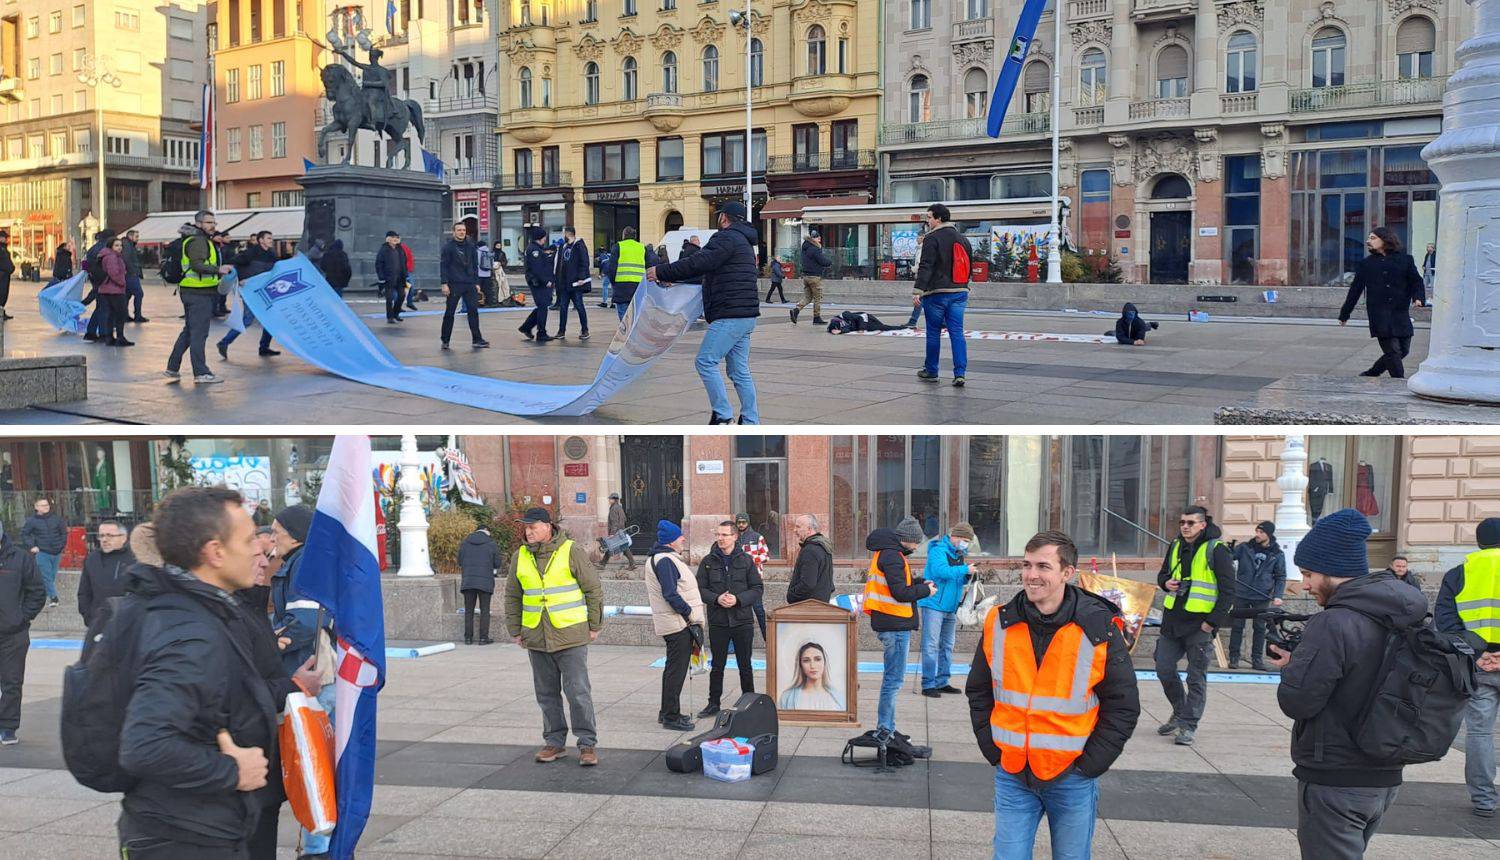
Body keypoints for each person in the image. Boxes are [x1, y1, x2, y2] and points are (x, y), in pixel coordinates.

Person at [116, 486, 277, 858]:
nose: (260, 547)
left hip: (192, 828)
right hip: (186, 838)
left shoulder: (189, 609)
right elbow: (144, 745)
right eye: (250, 537)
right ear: (215, 552)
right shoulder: (188, 634)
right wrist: (232, 771)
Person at [966, 529, 1141, 860]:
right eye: (1027, 565)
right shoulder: (999, 622)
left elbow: (1123, 705)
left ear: (1067, 573)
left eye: (1043, 566)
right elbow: (979, 691)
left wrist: (1090, 765)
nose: (1031, 575)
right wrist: (993, 750)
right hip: (1013, 773)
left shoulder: (1098, 626)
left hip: (1071, 775)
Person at [1265, 508, 1429, 859]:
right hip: (1385, 775)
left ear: (1333, 570)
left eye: (1309, 573)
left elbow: (1299, 701)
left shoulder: (1335, 622)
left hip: (1336, 777)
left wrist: (1293, 669)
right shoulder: (1403, 612)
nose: (1305, 584)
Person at [503, 507, 605, 766]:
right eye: (526, 527)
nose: (528, 531)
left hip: (570, 634)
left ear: (548, 526)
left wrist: (595, 625)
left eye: (533, 526)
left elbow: (592, 589)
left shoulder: (571, 550)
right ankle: (554, 742)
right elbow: (513, 595)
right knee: (546, 694)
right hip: (536, 636)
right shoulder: (520, 556)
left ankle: (586, 744)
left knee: (578, 693)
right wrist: (515, 629)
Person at [648, 201, 762, 425]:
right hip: (746, 315)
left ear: (724, 218)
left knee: (705, 361)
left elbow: (699, 262)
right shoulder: (744, 242)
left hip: (730, 314)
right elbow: (711, 271)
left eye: (720, 216)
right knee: (739, 371)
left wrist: (661, 271)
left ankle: (722, 414)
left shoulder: (726, 238)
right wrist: (672, 277)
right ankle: (750, 420)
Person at [1433, 517, 1500, 819]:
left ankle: (1484, 799)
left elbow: (1446, 625)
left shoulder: (1459, 573)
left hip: (1478, 665)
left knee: (1480, 734)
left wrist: (1482, 652)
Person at [1153, 505, 1234, 746]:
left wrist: (1211, 623)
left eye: (1190, 523)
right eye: (1182, 523)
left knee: (1196, 677)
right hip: (1172, 621)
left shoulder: (1216, 550)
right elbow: (1162, 575)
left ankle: (1188, 725)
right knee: (1163, 669)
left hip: (1200, 625)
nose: (1185, 527)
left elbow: (1229, 591)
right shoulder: (1176, 544)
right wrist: (1166, 583)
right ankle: (1180, 711)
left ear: (1202, 525)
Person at [864, 517, 935, 741]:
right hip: (894, 624)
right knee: (893, 681)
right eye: (917, 542)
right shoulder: (893, 556)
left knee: (892, 679)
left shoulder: (888, 553)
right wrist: (926, 592)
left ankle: (888, 727)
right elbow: (900, 594)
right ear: (908, 540)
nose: (917, 546)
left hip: (890, 622)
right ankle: (885, 729)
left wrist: (919, 583)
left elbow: (899, 586)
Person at [1338, 226, 1427, 379]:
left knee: (1403, 350)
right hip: (1379, 315)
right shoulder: (1366, 264)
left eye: (1372, 238)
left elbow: (1416, 281)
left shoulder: (1405, 260)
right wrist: (1345, 314)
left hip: (1400, 313)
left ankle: (1373, 372)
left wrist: (1418, 297)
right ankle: (1399, 383)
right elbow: (1355, 290)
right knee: (1392, 352)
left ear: (1385, 240)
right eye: (1368, 238)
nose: (1367, 241)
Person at [696, 520, 763, 718]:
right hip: (719, 621)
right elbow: (700, 589)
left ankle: (748, 702)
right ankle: (713, 703)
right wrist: (716, 599)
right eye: (718, 534)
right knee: (717, 665)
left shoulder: (746, 560)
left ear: (735, 536)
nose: (720, 538)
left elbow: (757, 589)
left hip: (742, 621)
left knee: (745, 665)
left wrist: (738, 599)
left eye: (725, 535)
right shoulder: (708, 561)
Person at [647, 520, 705, 731]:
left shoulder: (664, 558)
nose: (683, 540)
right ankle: (671, 716)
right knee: (676, 671)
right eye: (680, 537)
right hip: (678, 624)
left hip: (676, 622)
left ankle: (667, 712)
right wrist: (688, 613)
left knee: (673, 669)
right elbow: (670, 593)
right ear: (671, 541)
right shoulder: (665, 561)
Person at [165, 210, 235, 385]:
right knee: (199, 333)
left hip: (192, 291)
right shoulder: (198, 240)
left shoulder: (198, 239)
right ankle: (201, 372)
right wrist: (219, 270)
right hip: (198, 293)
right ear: (198, 224)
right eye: (208, 222)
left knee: (189, 331)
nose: (212, 225)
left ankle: (172, 367)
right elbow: (197, 265)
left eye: (213, 222)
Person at [914, 203, 973, 387]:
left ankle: (932, 371)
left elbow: (926, 265)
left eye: (929, 217)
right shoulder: (962, 238)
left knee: (933, 332)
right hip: (959, 292)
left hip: (937, 293)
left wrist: (918, 290)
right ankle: (960, 373)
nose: (928, 221)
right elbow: (969, 264)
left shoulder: (932, 238)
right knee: (957, 332)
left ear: (938, 219)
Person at [0, 518, 45, 746]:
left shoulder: (20, 558)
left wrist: (21, 618)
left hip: (13, 633)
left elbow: (37, 591)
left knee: (11, 681)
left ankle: (7, 727)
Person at [918, 522, 976, 698]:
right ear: (955, 537)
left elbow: (955, 578)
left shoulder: (959, 555)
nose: (966, 544)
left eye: (968, 541)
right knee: (931, 645)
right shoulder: (938, 550)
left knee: (947, 645)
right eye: (965, 540)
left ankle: (942, 681)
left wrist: (967, 577)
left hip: (950, 607)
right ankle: (928, 684)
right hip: (934, 604)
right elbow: (940, 572)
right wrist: (965, 569)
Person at [1227, 521, 1286, 671]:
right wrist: (1228, 550)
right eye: (1257, 531)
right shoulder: (1245, 548)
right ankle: (1234, 657)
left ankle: (1257, 659)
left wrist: (1278, 595)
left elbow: (1280, 576)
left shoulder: (1277, 554)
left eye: (1261, 532)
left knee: (1259, 628)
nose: (1257, 535)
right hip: (1242, 592)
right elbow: (1229, 558)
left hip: (1262, 595)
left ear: (1269, 534)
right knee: (1237, 625)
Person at [217, 230, 280, 359]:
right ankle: (224, 342)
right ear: (260, 240)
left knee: (270, 320)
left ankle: (264, 347)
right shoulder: (250, 253)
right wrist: (240, 279)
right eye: (268, 238)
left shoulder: (272, 254)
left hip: (264, 292)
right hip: (250, 291)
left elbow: (277, 269)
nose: (271, 240)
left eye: (271, 238)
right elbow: (232, 264)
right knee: (247, 320)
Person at [439, 220, 489, 349]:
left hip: (469, 284)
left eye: (464, 230)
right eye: (459, 230)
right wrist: (444, 283)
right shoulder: (448, 247)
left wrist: (476, 282)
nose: (462, 232)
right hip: (454, 284)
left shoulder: (471, 246)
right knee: (450, 312)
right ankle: (445, 340)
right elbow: (443, 266)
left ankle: (477, 339)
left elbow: (474, 265)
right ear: (454, 232)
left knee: (473, 311)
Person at [77, 520, 134, 626]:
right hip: (98, 623)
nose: (104, 540)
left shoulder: (134, 559)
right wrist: (89, 618)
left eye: (110, 536)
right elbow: (84, 592)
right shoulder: (92, 559)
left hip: (128, 624)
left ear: (123, 537)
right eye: (101, 535)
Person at [458, 525, 503, 646]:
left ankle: (468, 638)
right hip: (485, 581)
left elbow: (459, 561)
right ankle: (483, 638)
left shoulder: (465, 543)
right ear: (487, 531)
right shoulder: (491, 544)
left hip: (468, 581)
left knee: (468, 611)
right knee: (485, 610)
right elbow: (497, 563)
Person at [21, 497, 67, 607]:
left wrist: (61, 545)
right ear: (36, 507)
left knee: (51, 576)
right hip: (42, 552)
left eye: (47, 505)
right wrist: (32, 546)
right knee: (46, 576)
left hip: (56, 552)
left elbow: (63, 533)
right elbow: (24, 534)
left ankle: (41, 594)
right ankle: (54, 598)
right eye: (42, 505)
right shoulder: (32, 521)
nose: (46, 507)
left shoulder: (57, 519)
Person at [778, 642, 844, 710]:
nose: (812, 665)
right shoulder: (787, 697)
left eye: (818, 659)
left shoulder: (839, 699)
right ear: (800, 665)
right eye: (806, 661)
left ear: (824, 662)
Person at [734, 513, 770, 640]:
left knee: (759, 610)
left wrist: (749, 560)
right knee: (736, 612)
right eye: (739, 522)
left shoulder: (757, 537)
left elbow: (765, 556)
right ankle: (734, 644)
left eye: (744, 522)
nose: (741, 525)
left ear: (748, 522)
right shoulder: (734, 538)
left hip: (754, 579)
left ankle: (768, 640)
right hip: (738, 579)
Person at [519, 228, 558, 342]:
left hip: (539, 282)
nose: (545, 239)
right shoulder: (534, 250)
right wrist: (546, 281)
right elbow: (537, 269)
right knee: (542, 307)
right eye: (544, 237)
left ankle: (526, 327)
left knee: (542, 306)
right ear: (540, 238)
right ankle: (541, 333)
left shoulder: (537, 249)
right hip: (538, 283)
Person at [787, 514, 835, 605]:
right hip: (820, 603)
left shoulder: (810, 550)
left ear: (809, 529)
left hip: (808, 606)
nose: (794, 530)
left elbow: (808, 583)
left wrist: (791, 595)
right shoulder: (822, 546)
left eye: (798, 527)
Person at [554, 226, 592, 340]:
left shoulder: (579, 245)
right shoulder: (563, 246)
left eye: (564, 233)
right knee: (563, 307)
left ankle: (585, 329)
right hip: (565, 283)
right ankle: (561, 331)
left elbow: (584, 262)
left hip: (576, 283)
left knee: (579, 306)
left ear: (567, 233)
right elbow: (559, 264)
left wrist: (581, 277)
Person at [605, 227, 649, 322]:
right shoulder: (642, 248)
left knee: (624, 319)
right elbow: (649, 266)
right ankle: (634, 335)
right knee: (636, 316)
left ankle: (626, 335)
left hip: (621, 287)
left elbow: (612, 268)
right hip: (638, 287)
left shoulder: (618, 246)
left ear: (623, 236)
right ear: (635, 237)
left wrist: (613, 282)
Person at [98, 235, 134, 347]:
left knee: (111, 314)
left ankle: (109, 337)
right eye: (116, 245)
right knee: (120, 314)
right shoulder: (112, 257)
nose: (119, 248)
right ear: (111, 246)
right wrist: (122, 282)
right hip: (115, 290)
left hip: (106, 289)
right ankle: (120, 337)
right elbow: (113, 273)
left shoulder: (107, 255)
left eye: (120, 245)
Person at [791, 230, 833, 325]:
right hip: (814, 277)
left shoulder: (805, 248)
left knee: (808, 297)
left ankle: (796, 310)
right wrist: (830, 262)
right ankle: (816, 318)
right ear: (813, 239)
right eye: (818, 238)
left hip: (806, 276)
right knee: (817, 298)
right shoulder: (814, 248)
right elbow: (822, 261)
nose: (819, 240)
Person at [376, 231, 411, 324]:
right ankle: (390, 317)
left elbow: (404, 262)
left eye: (397, 237)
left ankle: (396, 313)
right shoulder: (384, 249)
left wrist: (406, 274)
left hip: (400, 277)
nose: (395, 239)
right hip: (389, 278)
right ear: (388, 239)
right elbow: (379, 264)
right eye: (393, 237)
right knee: (389, 298)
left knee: (402, 296)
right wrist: (381, 276)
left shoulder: (400, 249)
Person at [601, 492, 637, 570]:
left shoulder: (614, 508)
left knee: (612, 546)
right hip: (621, 530)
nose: (609, 500)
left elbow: (614, 522)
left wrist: (612, 533)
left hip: (617, 532)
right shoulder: (619, 507)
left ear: (614, 500)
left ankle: (602, 564)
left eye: (610, 499)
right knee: (621, 547)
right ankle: (602, 563)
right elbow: (624, 519)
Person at [121, 228, 147, 322]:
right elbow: (126, 259)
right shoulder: (127, 245)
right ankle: (137, 316)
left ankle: (124, 315)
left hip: (128, 274)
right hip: (130, 275)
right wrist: (133, 271)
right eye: (136, 236)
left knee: (127, 295)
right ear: (130, 236)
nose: (138, 238)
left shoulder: (128, 245)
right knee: (139, 293)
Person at [826, 310, 908, 334]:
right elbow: (847, 329)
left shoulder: (845, 314)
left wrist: (862, 328)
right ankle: (903, 327)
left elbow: (860, 318)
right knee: (883, 327)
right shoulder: (837, 325)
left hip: (866, 318)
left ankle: (905, 327)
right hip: (861, 325)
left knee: (883, 327)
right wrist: (840, 331)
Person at [0, 230, 12, 320]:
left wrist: (12, 268)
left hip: (6, 275)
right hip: (1, 275)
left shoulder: (4, 248)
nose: (6, 239)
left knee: (4, 294)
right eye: (5, 237)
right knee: (1, 294)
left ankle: (2, 312)